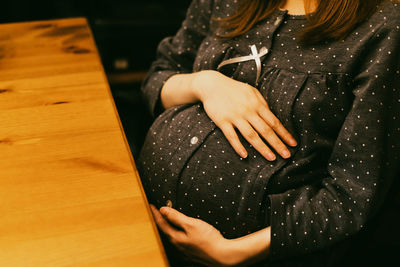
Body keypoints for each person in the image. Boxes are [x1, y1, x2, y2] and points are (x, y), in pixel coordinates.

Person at [137, 0, 400, 266]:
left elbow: (353, 193)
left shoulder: (385, 25)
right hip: (139, 213)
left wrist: (234, 252)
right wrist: (203, 84)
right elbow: (158, 77)